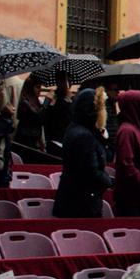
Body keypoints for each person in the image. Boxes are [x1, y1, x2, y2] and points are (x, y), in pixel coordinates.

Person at [55, 89, 110, 218]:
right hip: (81, 203)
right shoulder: (84, 136)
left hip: (74, 200)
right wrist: (110, 182)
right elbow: (90, 171)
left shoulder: (76, 128)